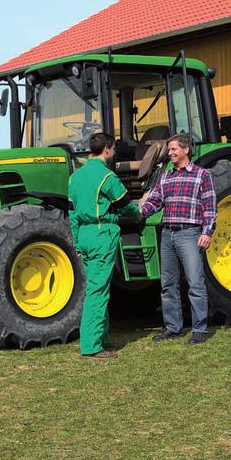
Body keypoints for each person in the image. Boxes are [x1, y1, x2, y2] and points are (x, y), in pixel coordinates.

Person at [68, 132, 141, 359]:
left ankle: (102, 337)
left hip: (85, 236)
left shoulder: (75, 177)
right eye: (113, 149)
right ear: (107, 149)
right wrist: (137, 214)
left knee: (97, 288)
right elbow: (125, 204)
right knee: (98, 292)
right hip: (102, 234)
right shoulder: (107, 177)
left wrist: (78, 242)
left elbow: (72, 213)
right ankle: (91, 346)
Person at [139, 133, 217, 344]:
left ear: (186, 150)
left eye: (173, 149)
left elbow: (210, 207)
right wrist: (139, 212)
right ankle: (173, 328)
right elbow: (155, 201)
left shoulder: (202, 175)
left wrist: (206, 232)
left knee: (195, 283)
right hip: (167, 234)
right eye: (170, 149)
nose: (170, 153)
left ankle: (200, 328)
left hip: (189, 234)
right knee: (168, 284)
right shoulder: (166, 177)